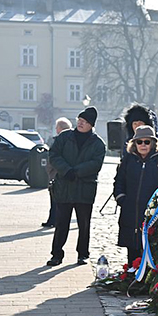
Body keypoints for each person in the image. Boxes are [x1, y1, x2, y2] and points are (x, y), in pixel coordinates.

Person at [47, 107, 106, 265]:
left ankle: (83, 254)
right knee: (61, 223)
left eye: (85, 121)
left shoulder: (98, 143)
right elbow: (53, 155)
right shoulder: (65, 137)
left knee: (84, 224)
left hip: (84, 189)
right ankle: (56, 254)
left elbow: (96, 164)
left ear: (91, 125)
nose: (80, 123)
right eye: (79, 120)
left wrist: (77, 172)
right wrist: (66, 170)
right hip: (64, 187)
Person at [112, 125, 158, 265]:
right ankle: (132, 276)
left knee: (151, 248)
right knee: (132, 247)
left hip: (153, 214)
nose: (143, 145)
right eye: (139, 142)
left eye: (147, 142)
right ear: (134, 144)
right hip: (130, 212)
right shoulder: (128, 159)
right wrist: (121, 198)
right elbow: (119, 181)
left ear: (153, 143)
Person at [42, 117, 74, 228]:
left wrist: (50, 171)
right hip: (60, 173)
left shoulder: (59, 141)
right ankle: (52, 219)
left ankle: (54, 220)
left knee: (56, 200)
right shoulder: (72, 139)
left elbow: (53, 158)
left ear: (59, 128)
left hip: (57, 174)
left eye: (57, 127)